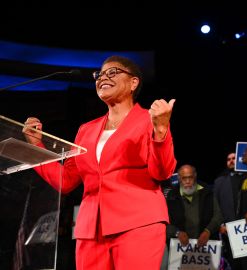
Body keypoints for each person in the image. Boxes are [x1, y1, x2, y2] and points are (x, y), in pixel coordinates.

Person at [23, 55, 176, 269]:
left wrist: (161, 131)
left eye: (112, 72)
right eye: (99, 74)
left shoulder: (148, 120)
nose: (103, 77)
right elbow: (65, 180)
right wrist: (36, 147)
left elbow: (162, 172)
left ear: (134, 83)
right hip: (90, 230)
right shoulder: (86, 130)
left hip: (138, 224)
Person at [164, 165, 222, 259]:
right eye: (184, 178)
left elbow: (218, 215)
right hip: (181, 250)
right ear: (179, 178)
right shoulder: (171, 196)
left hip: (206, 247)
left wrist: (208, 231)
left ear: (195, 176)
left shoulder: (208, 192)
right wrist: (177, 233)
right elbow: (165, 222)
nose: (187, 181)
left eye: (190, 177)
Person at [213, 152, 242, 270]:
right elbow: (215, 205)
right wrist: (220, 225)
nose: (231, 161)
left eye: (234, 158)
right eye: (228, 159)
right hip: (229, 230)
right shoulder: (219, 181)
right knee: (235, 261)